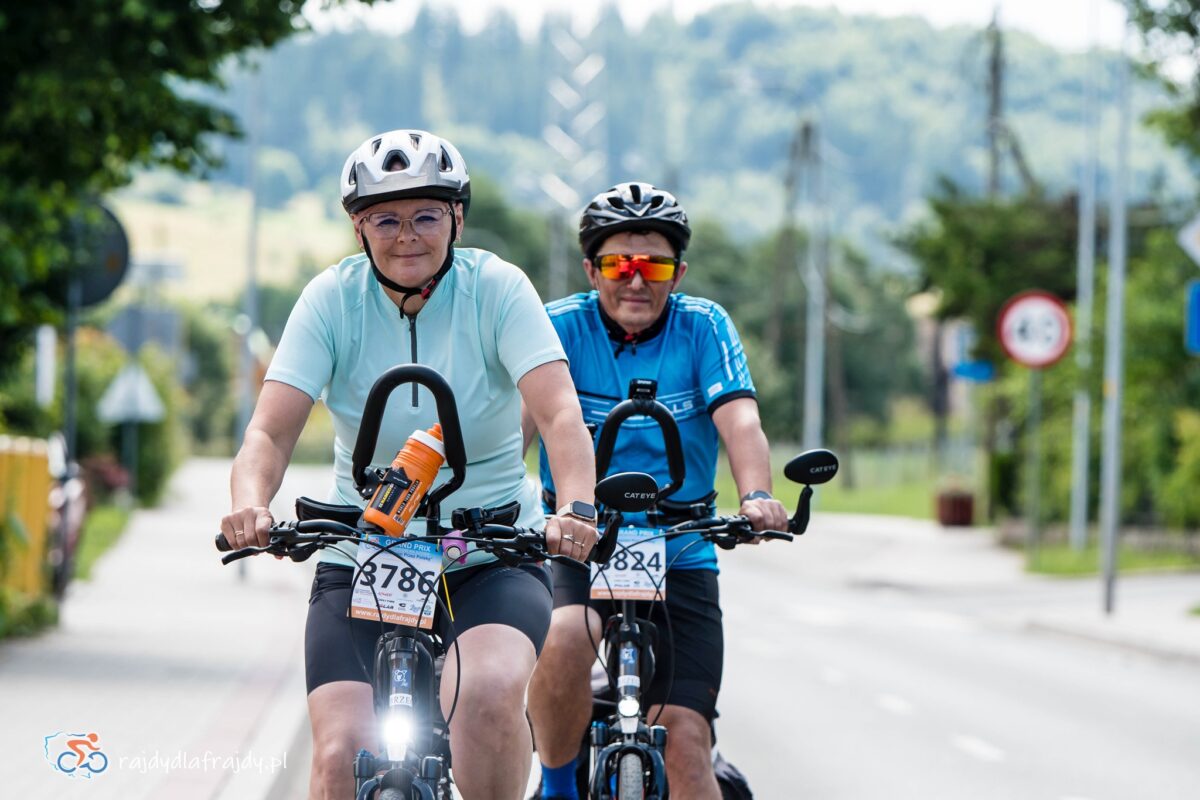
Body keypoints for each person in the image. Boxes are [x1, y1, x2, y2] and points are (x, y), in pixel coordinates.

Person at [219, 129, 599, 800]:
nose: (407, 237)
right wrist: (250, 503)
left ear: (457, 219)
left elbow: (560, 413)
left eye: (426, 216)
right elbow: (269, 433)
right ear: (358, 228)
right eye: (385, 220)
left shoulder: (498, 289)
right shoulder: (331, 299)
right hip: (362, 549)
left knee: (486, 698)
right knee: (340, 752)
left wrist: (575, 507)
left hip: (489, 551)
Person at [523, 182, 790, 799]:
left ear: (680, 274)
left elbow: (741, 422)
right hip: (582, 540)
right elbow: (514, 429)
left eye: (656, 267)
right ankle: (557, 786)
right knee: (564, 637)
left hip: (682, 545)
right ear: (592, 270)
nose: (637, 281)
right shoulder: (556, 326)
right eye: (620, 265)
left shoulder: (704, 326)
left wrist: (756, 495)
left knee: (688, 745)